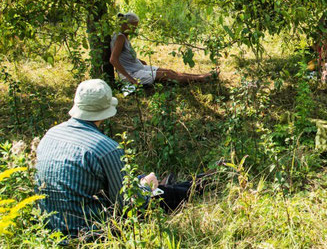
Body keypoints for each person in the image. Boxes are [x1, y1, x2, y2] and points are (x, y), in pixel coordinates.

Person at [35, 79, 208, 238]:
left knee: (143, 182)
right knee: (166, 193)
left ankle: (170, 185)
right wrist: (146, 188)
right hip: (93, 233)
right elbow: (128, 203)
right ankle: (204, 183)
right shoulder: (105, 149)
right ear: (105, 111)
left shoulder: (50, 135)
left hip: (51, 230)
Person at [110, 12, 215, 85]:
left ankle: (201, 76)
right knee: (168, 75)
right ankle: (202, 79)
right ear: (125, 24)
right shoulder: (120, 37)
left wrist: (138, 61)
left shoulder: (122, 35)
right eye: (133, 27)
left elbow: (123, 56)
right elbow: (113, 59)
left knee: (170, 71)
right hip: (132, 73)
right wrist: (130, 78)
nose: (134, 30)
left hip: (138, 68)